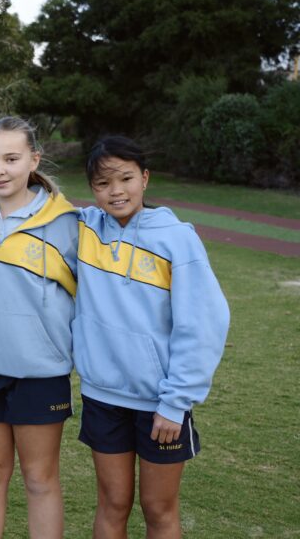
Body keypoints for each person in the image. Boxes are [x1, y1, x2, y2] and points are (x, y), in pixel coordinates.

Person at [74, 136, 229, 539]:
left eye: (125, 179)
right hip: (103, 396)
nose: (116, 191)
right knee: (112, 503)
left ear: (144, 178)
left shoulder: (177, 239)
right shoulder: (84, 229)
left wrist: (175, 403)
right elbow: (32, 199)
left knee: (158, 509)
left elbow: (202, 324)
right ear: (92, 189)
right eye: (103, 183)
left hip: (161, 403)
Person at [0, 115, 78, 539]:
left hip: (40, 372)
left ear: (33, 159)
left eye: (11, 159)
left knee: (40, 479)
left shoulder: (68, 223)